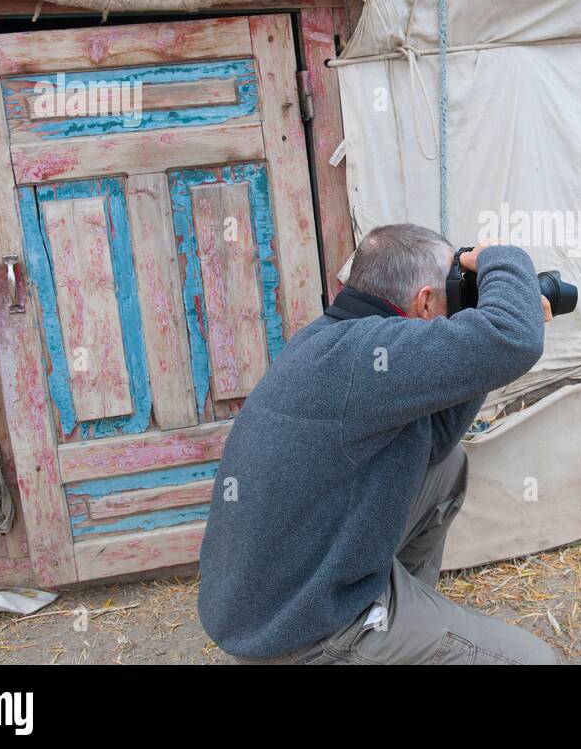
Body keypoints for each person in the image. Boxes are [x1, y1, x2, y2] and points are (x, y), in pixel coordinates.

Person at [197, 223, 557, 664]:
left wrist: (471, 341)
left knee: (447, 470)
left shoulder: (336, 339)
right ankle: (363, 639)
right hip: (302, 628)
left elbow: (436, 443)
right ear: (425, 301)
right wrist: (499, 257)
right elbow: (514, 338)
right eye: (449, 289)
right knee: (536, 661)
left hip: (272, 596)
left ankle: (399, 630)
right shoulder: (369, 358)